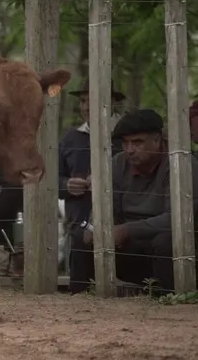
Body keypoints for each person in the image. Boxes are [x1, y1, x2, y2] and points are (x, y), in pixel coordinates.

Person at [75, 108, 198, 295]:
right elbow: (107, 207)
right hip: (131, 245)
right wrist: (95, 226)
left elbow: (177, 218)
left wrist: (127, 230)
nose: (129, 150)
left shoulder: (181, 163)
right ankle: (79, 298)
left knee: (166, 241)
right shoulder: (118, 163)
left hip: (169, 248)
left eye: (137, 142)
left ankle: (169, 300)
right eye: (125, 143)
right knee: (81, 237)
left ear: (157, 140)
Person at [57, 79, 126, 267]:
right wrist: (66, 185)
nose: (86, 107)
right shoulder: (70, 138)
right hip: (78, 228)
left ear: (112, 102)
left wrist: (106, 181)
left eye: (93, 101)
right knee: (79, 281)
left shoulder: (128, 136)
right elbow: (51, 180)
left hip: (121, 228)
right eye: (83, 101)